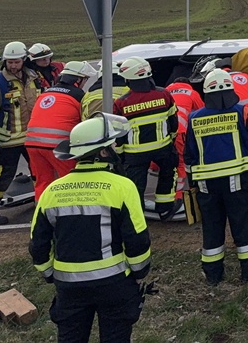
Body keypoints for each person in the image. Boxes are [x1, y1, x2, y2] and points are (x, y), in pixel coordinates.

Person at [30, 113, 151, 343]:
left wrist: (48, 274)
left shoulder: (52, 191)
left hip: (68, 287)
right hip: (114, 283)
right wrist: (139, 272)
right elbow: (137, 240)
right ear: (103, 152)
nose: (117, 148)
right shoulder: (122, 186)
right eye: (113, 144)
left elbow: (38, 243)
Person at [184, 69, 248, 285]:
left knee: (212, 228)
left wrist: (193, 183)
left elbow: (189, 157)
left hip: (207, 187)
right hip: (238, 183)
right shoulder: (242, 113)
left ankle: (213, 274)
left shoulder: (194, 118)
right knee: (244, 226)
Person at [111, 56, 179, 220]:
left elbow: (119, 134)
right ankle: (165, 209)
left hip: (135, 155)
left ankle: (137, 217)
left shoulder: (121, 103)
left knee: (135, 186)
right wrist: (171, 140)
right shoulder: (164, 94)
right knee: (167, 176)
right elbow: (173, 121)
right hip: (163, 148)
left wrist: (120, 154)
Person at [26, 61, 97, 201]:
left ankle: (42, 214)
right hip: (57, 145)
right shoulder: (78, 95)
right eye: (85, 79)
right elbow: (84, 123)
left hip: (32, 143)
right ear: (78, 79)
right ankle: (70, 213)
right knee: (71, 180)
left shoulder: (46, 92)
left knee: (43, 181)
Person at [0, 41, 41, 225]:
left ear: (24, 60)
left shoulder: (33, 78)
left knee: (38, 171)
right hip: (9, 140)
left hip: (32, 136)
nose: (12, 65)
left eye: (16, 61)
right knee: (3, 174)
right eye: (9, 62)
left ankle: (42, 204)